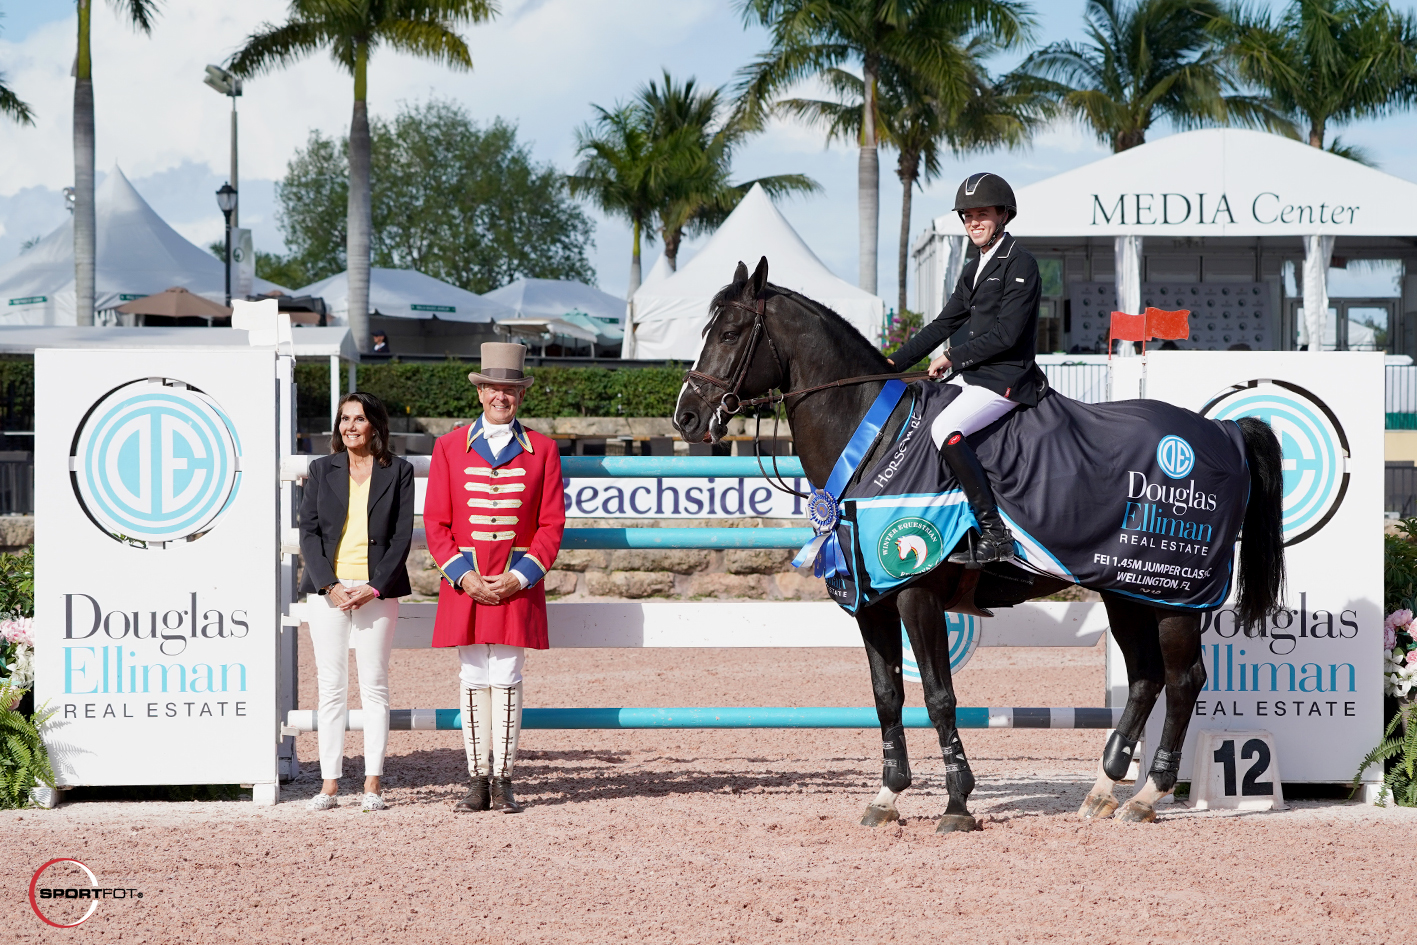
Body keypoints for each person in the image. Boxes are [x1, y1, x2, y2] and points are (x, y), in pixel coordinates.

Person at [424, 342, 566, 813]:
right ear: (480, 392)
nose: (500, 397)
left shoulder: (543, 449)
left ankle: (503, 777)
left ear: (521, 395)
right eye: (493, 388)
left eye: (510, 389)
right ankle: (475, 778)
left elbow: (551, 525)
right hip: (465, 583)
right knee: (470, 675)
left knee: (507, 674)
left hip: (515, 585)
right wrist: (464, 578)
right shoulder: (448, 447)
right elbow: (436, 524)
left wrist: (519, 578)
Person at [886, 172, 1047, 567]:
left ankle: (995, 532)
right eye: (968, 215)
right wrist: (892, 362)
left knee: (944, 428)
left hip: (1006, 379)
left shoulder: (1019, 263)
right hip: (975, 376)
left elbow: (1007, 335)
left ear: (1003, 216)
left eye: (983, 214)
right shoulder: (975, 263)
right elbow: (944, 323)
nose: (973, 222)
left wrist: (953, 358)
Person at [298, 392, 416, 812]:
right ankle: (330, 784)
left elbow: (402, 536)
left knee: (374, 686)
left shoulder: (399, 471)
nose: (349, 426)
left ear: (375, 426)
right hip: (328, 591)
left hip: (376, 589)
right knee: (331, 688)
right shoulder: (319, 469)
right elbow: (308, 534)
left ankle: (372, 784)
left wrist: (374, 586)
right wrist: (330, 586)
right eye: (344, 419)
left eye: (359, 419)